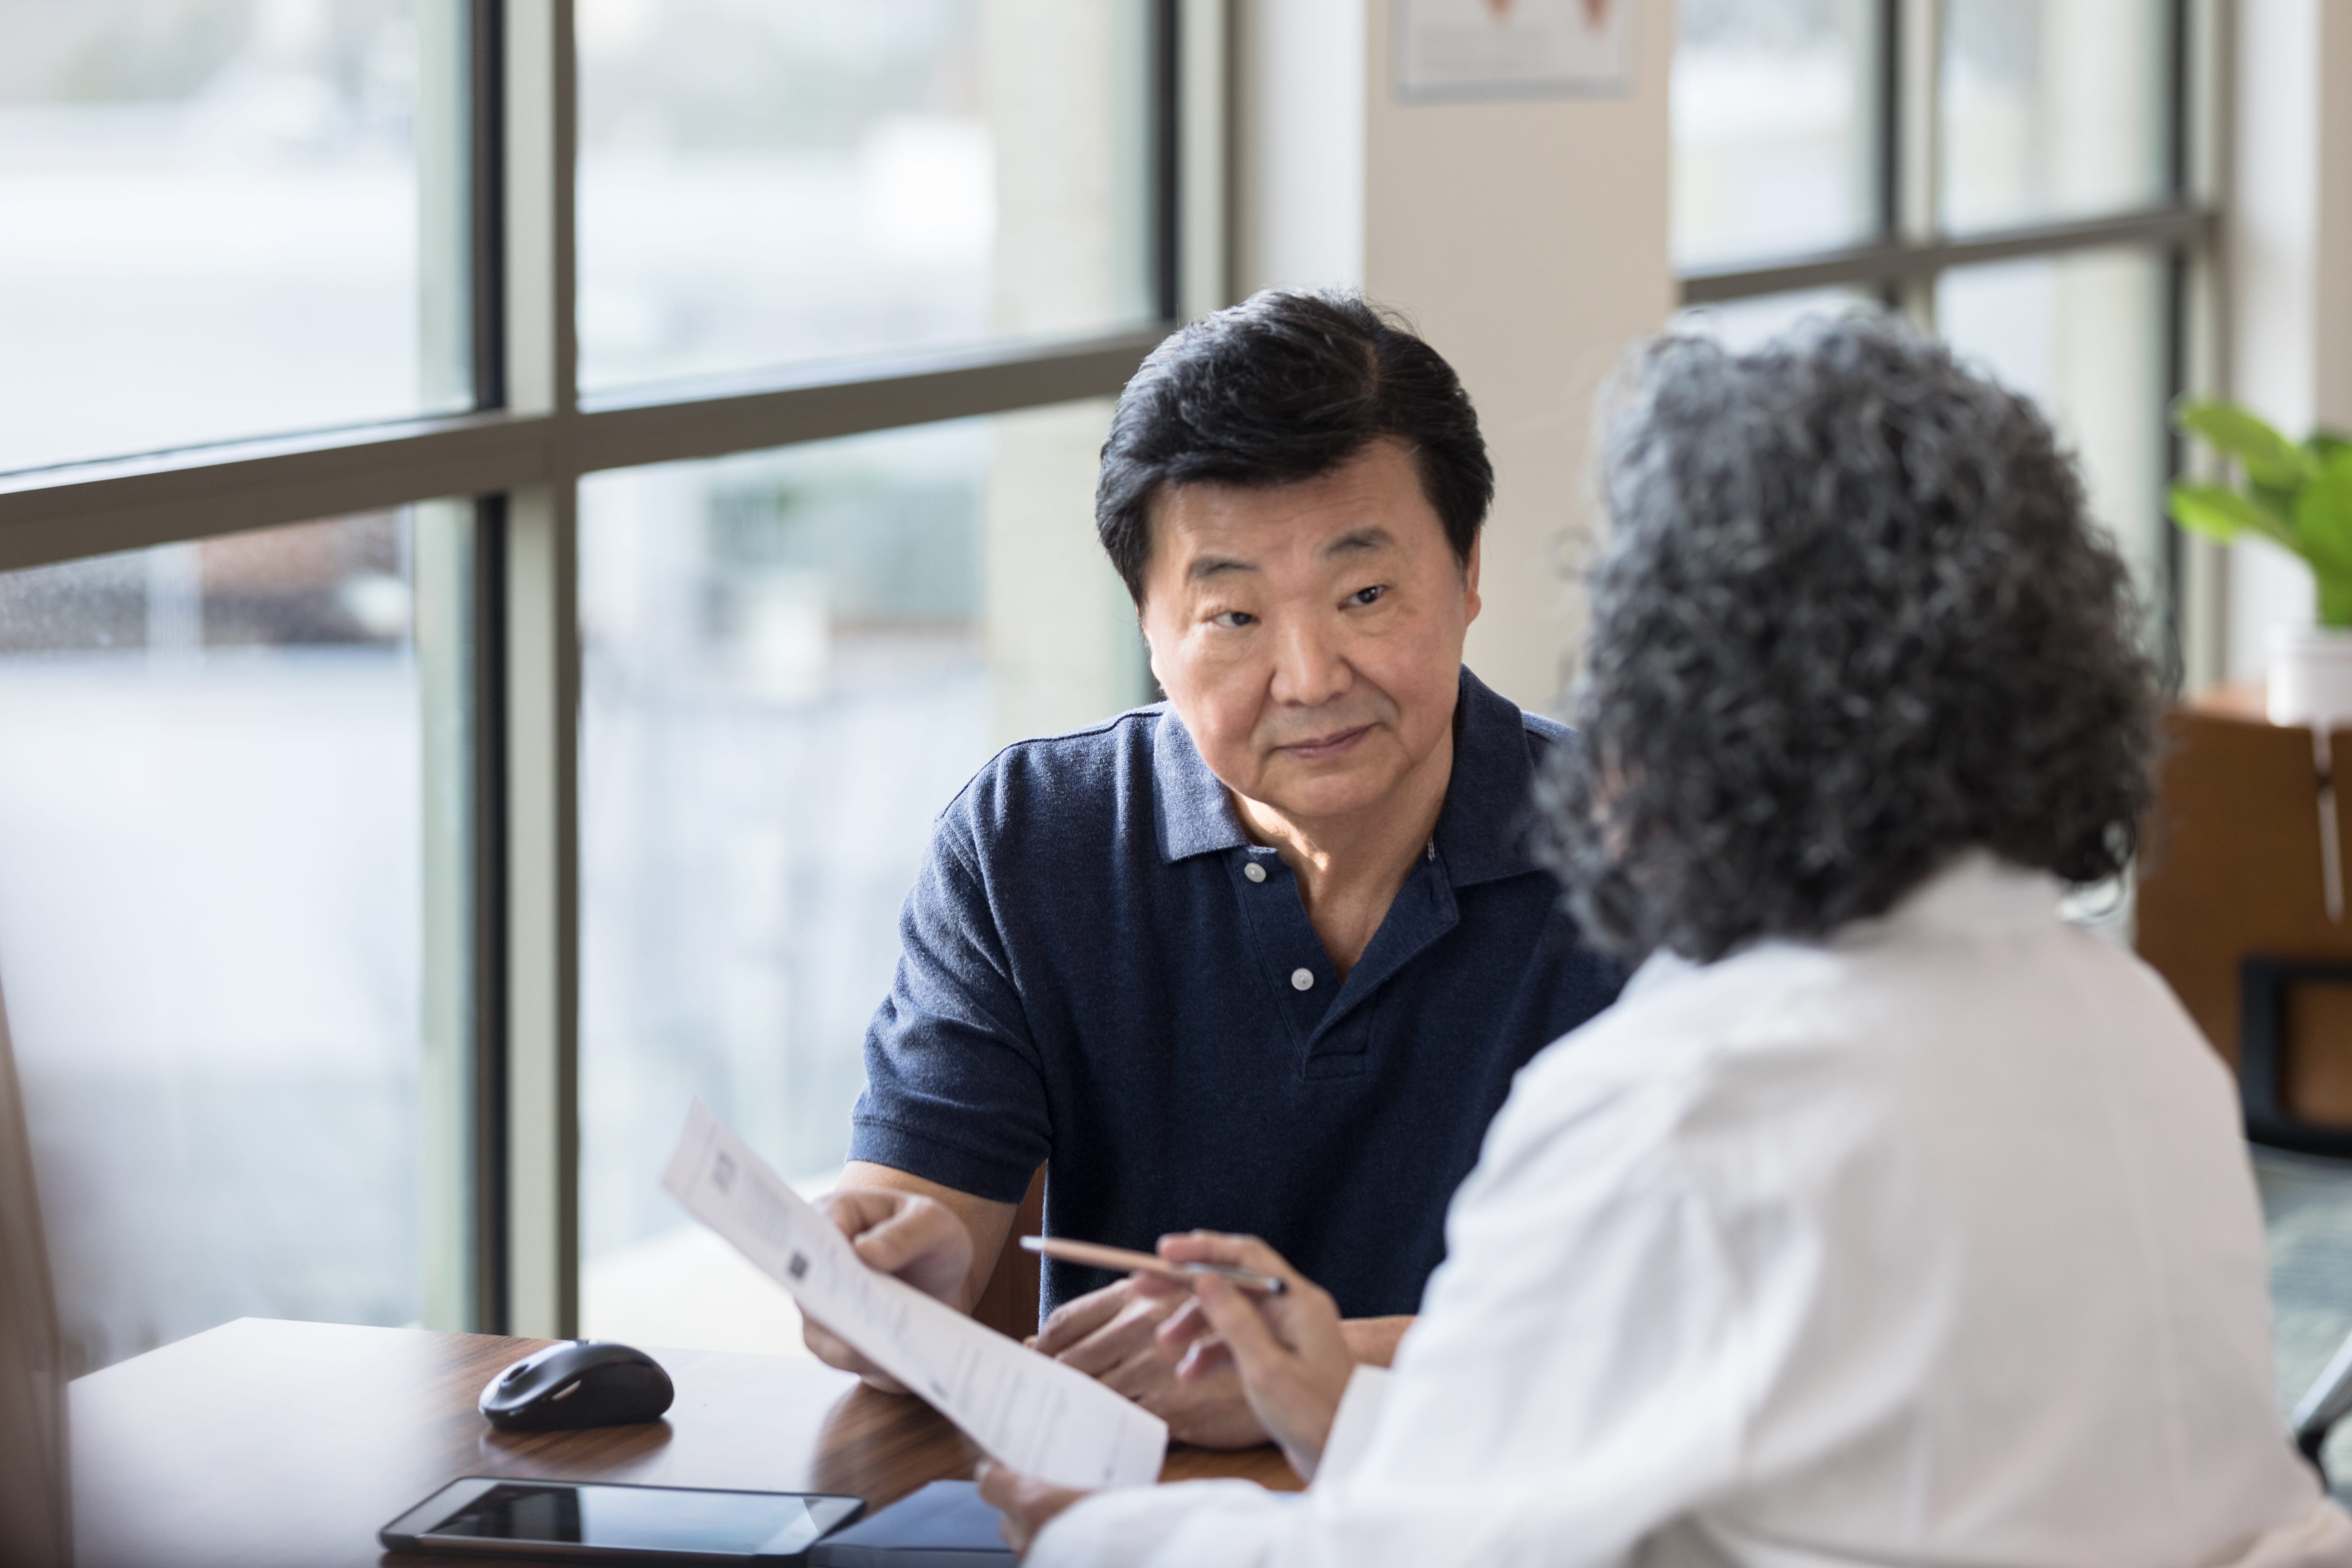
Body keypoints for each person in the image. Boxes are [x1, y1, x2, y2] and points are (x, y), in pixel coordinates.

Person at [976, 317, 2352, 1565]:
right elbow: (1590, 1470)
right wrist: (1334, 1396)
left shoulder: (1694, 1102)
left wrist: (1112, 1535)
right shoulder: (2128, 1030)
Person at [803, 291, 1627, 1446]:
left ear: (1469, 570)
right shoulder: (1032, 839)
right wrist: (891, 1283)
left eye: (1365, 596)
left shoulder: (1652, 854)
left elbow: (1725, 1317)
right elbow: (895, 1254)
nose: (1308, 676)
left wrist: (1321, 1370)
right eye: (1232, 614)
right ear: (1149, 628)